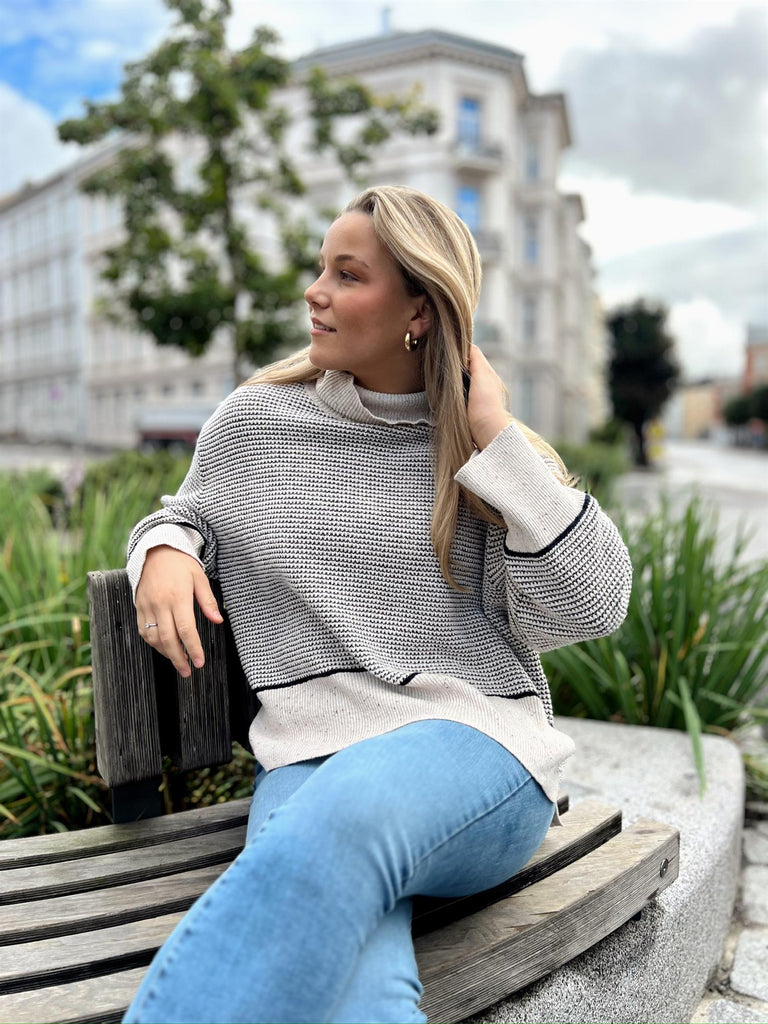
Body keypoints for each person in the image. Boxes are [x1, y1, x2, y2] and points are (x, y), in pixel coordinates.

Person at [123, 184, 632, 1024]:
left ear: (420, 310)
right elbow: (186, 513)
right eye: (321, 268)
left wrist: (497, 441)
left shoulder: (480, 448)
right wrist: (165, 548)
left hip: (474, 748)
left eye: (347, 274)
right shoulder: (255, 423)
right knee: (358, 979)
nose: (314, 291)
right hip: (308, 757)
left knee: (334, 827)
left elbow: (596, 604)